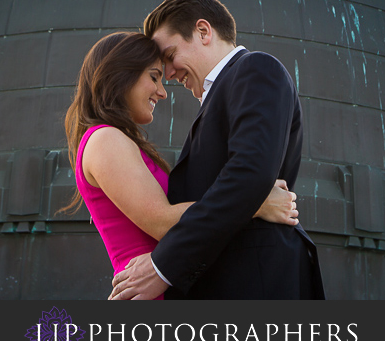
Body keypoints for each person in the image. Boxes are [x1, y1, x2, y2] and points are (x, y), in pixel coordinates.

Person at [109, 0, 325, 300]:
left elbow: (248, 174)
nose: (168, 73)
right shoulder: (222, 95)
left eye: (170, 56)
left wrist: (162, 267)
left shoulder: (255, 70)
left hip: (257, 282)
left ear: (203, 31)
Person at [60, 31, 300, 299]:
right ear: (119, 74)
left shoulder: (115, 140)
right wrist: (256, 202)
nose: (162, 92)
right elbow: (162, 222)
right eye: (153, 76)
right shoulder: (105, 139)